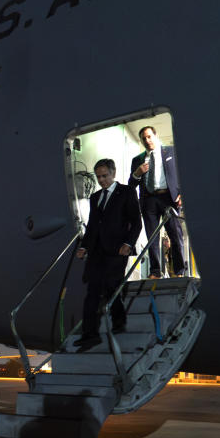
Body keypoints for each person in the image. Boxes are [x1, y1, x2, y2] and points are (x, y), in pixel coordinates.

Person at [74, 159, 143, 351]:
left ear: (113, 173)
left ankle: (119, 321)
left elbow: (136, 222)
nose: (102, 180)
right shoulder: (95, 197)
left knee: (112, 286)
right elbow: (93, 227)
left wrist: (128, 243)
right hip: (97, 251)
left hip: (117, 249)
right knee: (92, 292)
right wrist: (84, 247)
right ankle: (90, 334)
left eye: (105, 176)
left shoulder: (127, 192)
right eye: (98, 177)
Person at [129, 125, 185, 278]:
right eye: (143, 138)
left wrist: (182, 193)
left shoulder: (172, 152)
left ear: (155, 135)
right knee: (152, 237)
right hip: (148, 200)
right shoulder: (137, 160)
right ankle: (155, 272)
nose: (147, 141)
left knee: (175, 235)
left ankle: (179, 271)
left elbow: (183, 172)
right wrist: (137, 173)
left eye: (149, 136)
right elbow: (131, 184)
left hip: (169, 198)